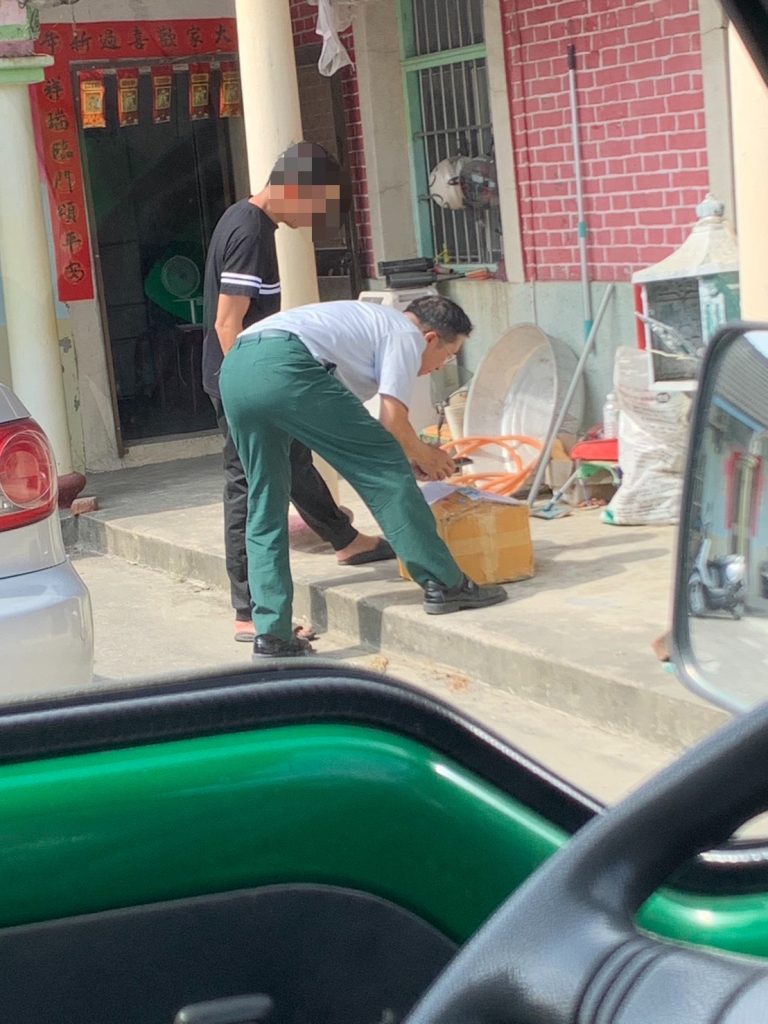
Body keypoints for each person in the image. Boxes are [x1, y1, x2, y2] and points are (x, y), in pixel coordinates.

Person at [220, 294, 509, 658]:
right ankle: (445, 583)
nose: (439, 367)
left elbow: (351, 426)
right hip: (285, 364)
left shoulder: (364, 327)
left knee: (265, 503)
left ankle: (273, 635)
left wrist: (409, 453)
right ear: (431, 338)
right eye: (447, 356)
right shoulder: (405, 333)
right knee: (386, 469)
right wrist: (425, 455)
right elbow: (392, 422)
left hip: (237, 367)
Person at [202, 142, 394, 643]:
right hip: (243, 382)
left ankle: (345, 539)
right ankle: (249, 610)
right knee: (249, 488)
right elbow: (227, 322)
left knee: (295, 459)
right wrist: (249, 388)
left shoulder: (249, 221)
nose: (314, 218)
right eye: (316, 204)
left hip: (251, 378)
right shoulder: (249, 232)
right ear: (293, 188)